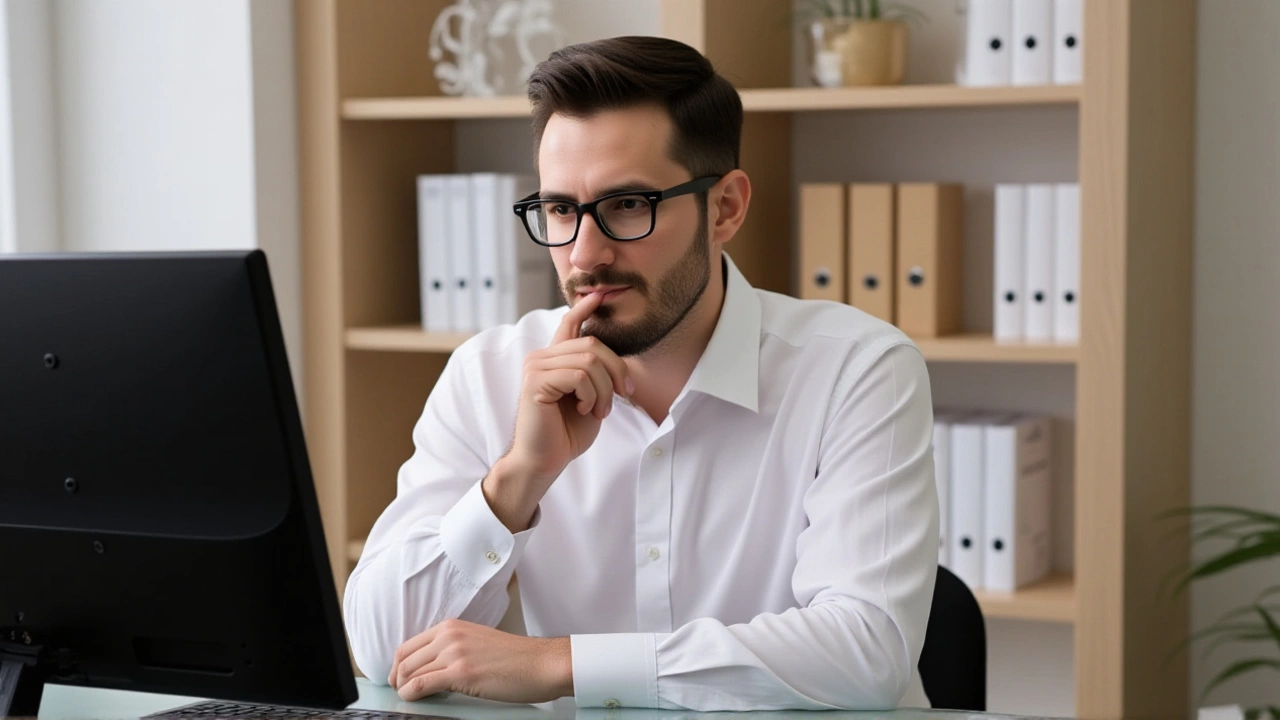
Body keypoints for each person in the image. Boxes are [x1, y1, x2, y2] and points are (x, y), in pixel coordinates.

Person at [344, 35, 938, 712]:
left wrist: (562, 663)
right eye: (561, 210)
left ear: (725, 209)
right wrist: (515, 482)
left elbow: (865, 649)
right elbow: (379, 648)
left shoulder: (857, 369)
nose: (583, 255)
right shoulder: (489, 372)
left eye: (628, 205)